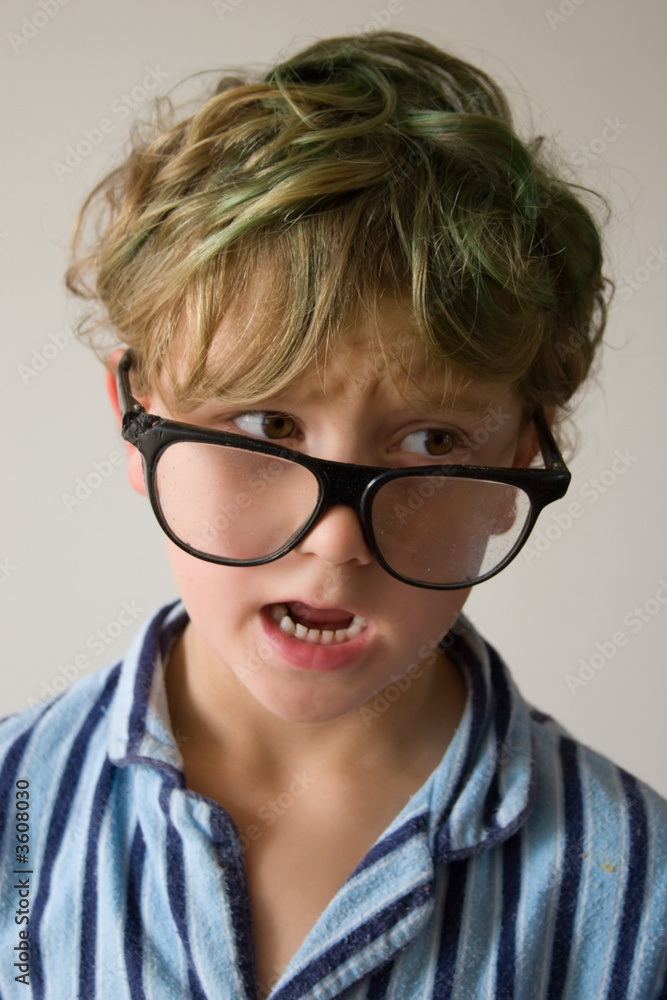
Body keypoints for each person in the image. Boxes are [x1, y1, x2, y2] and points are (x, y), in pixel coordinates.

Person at [1, 29, 665, 1000]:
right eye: (267, 424)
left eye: (431, 443)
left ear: (516, 461)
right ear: (137, 421)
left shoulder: (638, 897)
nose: (335, 543)